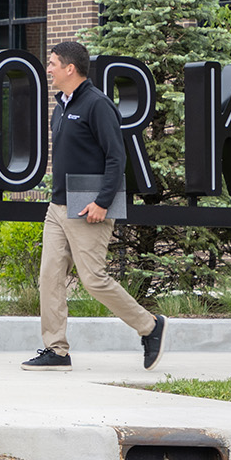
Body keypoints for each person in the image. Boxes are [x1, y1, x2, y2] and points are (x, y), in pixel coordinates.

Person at [25, 40, 167, 371]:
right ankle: (56, 350)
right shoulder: (61, 106)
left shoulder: (97, 104)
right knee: (49, 277)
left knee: (93, 279)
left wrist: (102, 202)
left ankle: (150, 326)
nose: (49, 69)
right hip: (58, 206)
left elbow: (117, 157)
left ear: (69, 68)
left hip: (88, 205)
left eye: (53, 63)